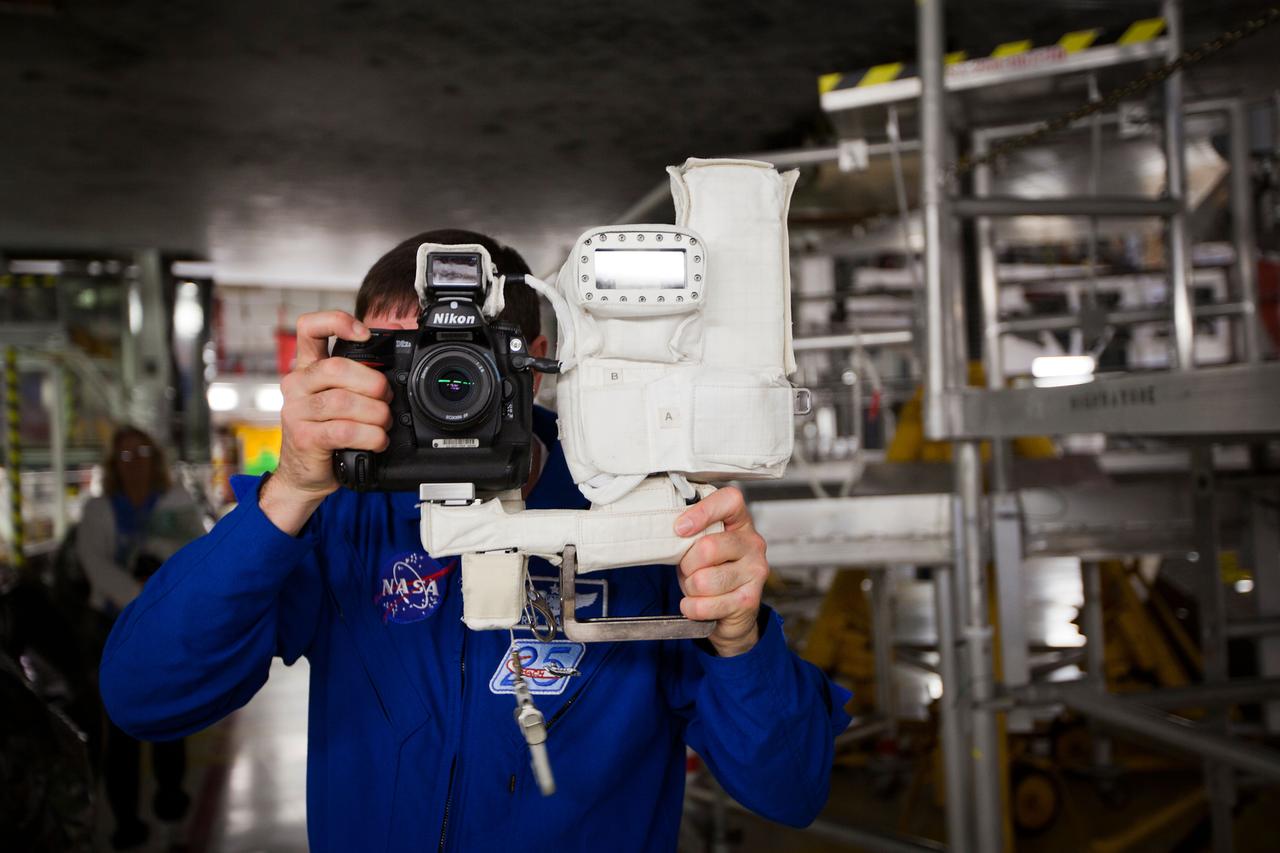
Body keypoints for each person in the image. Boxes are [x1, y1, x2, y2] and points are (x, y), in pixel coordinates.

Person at [101, 229, 852, 852]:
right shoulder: (345, 512)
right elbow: (144, 695)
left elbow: (788, 788)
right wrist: (288, 492)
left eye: (463, 364)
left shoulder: (635, 509)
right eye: (402, 369)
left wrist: (741, 638)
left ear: (533, 359)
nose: (438, 393)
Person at [79, 426, 204, 849]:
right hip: (112, 628)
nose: (136, 464)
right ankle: (127, 825)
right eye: (126, 457)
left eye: (143, 454)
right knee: (120, 735)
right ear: (114, 464)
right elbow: (96, 565)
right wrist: (141, 597)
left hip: (162, 632)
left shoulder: (176, 504)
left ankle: (172, 812)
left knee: (169, 722)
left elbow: (194, 552)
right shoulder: (99, 510)